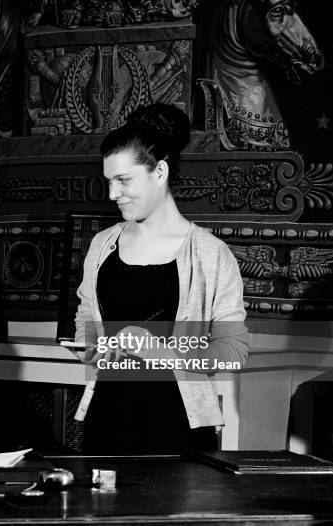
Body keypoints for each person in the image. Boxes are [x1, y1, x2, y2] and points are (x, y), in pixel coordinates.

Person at [71, 103, 249, 454]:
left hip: (178, 429)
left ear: (160, 171)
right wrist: (91, 348)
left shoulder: (210, 253)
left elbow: (234, 353)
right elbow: (86, 323)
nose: (112, 194)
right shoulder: (101, 245)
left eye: (123, 180)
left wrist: (161, 352)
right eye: (109, 182)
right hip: (105, 423)